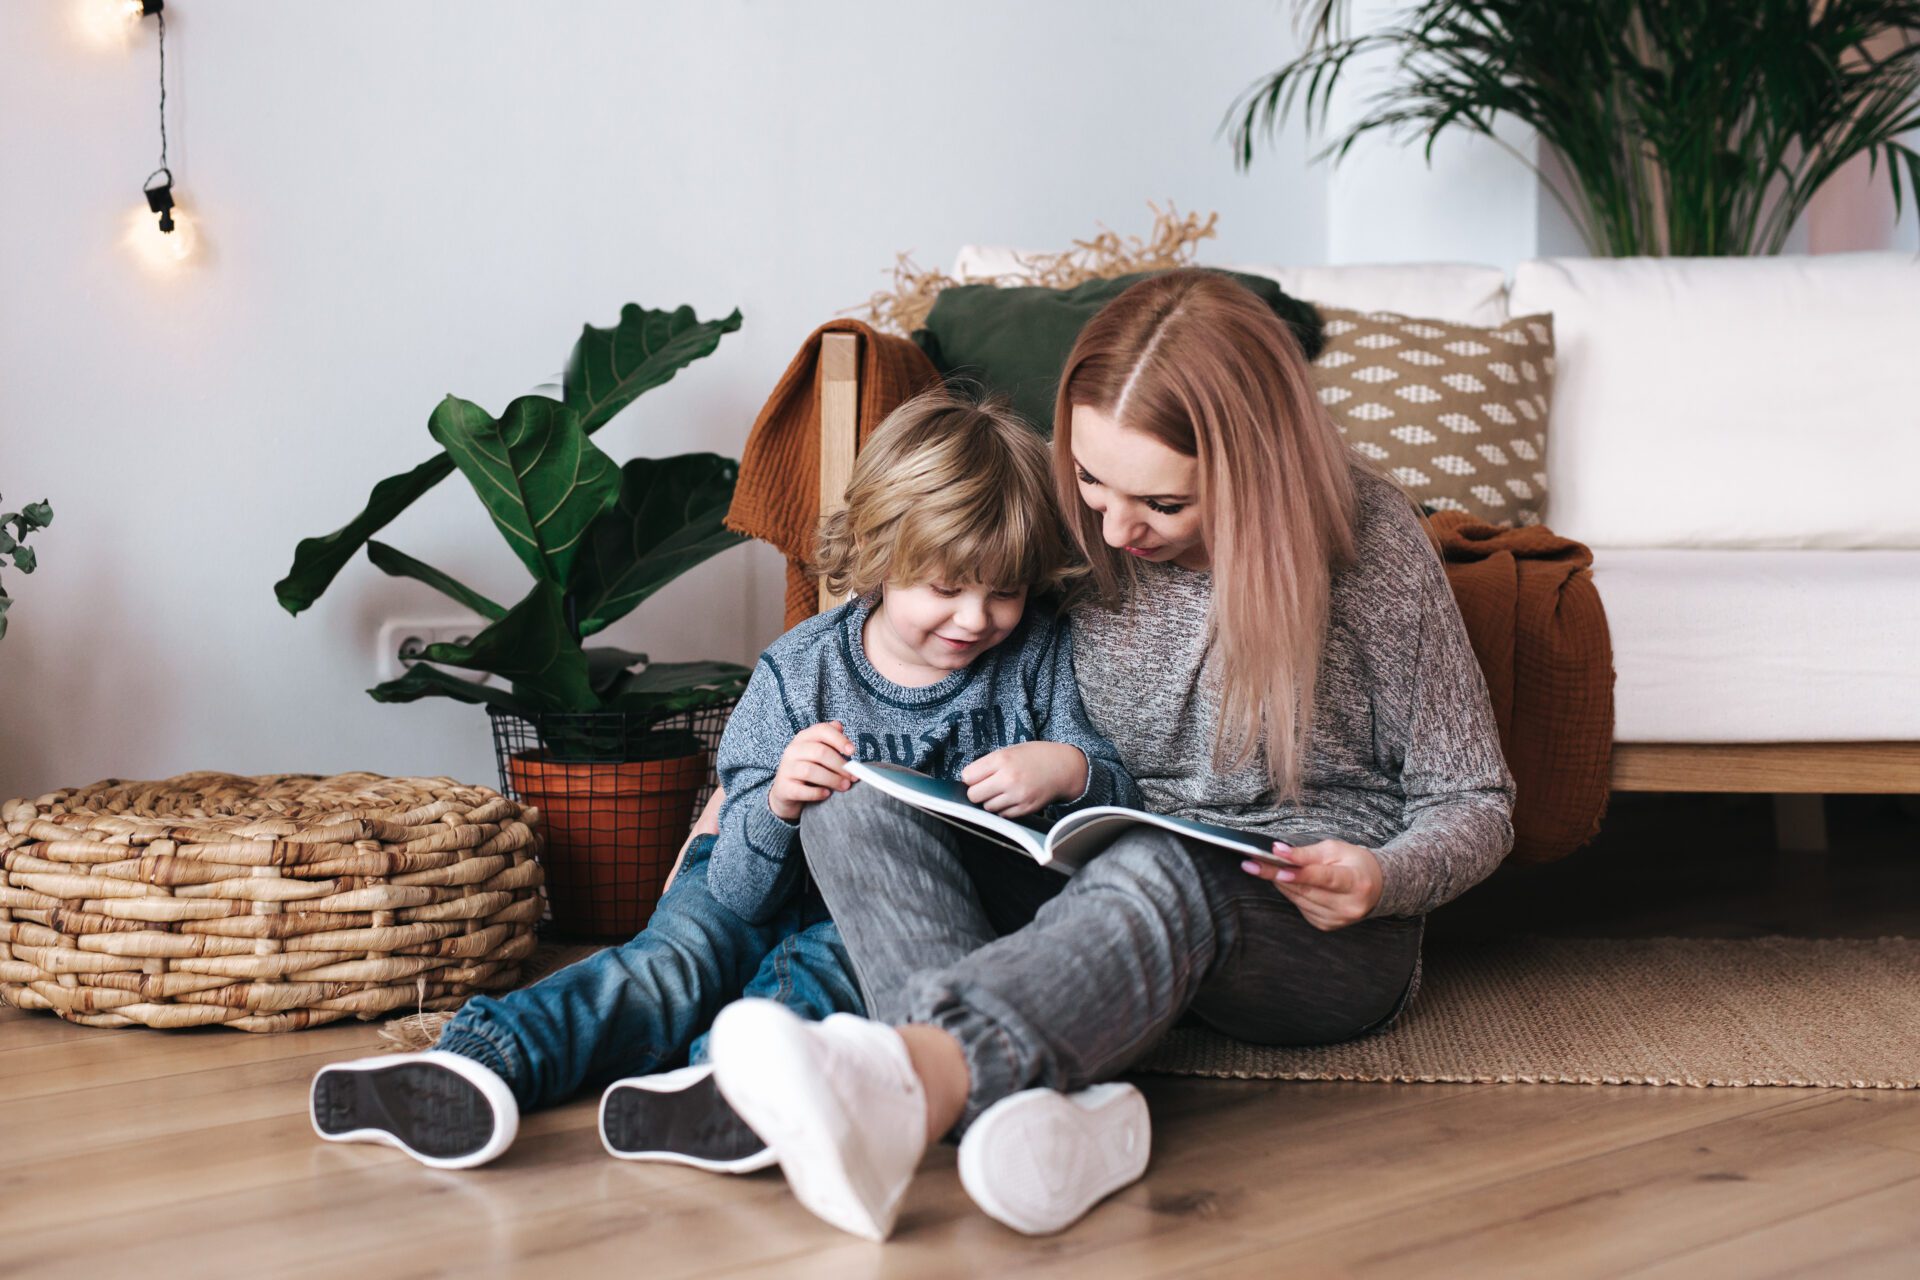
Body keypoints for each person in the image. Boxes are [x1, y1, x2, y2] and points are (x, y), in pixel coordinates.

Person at [704, 268, 1516, 1240]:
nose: (1113, 529)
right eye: (1091, 479)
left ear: (1258, 471)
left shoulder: (1373, 545)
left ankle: (915, 1078)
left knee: (1165, 859)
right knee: (854, 797)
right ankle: (1035, 1121)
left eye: (1162, 504)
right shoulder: (1081, 517)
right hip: (1087, 876)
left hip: (1312, 927)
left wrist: (1382, 876)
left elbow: (1474, 798)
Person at [307, 387, 1139, 1175]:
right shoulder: (800, 671)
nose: (974, 619)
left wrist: (1068, 767)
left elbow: (1113, 811)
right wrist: (777, 801)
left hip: (889, 916)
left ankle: (723, 1096)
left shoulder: (1036, 660)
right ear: (881, 557)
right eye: (947, 588)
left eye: (1004, 593)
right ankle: (477, 1064)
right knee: (669, 968)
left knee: (823, 983)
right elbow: (737, 888)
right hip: (752, 876)